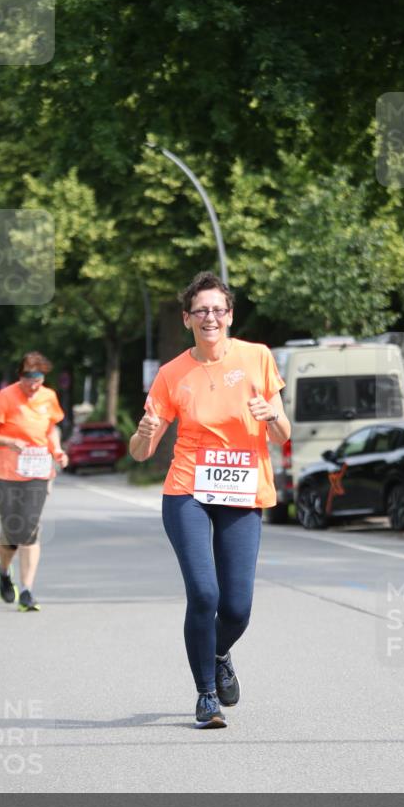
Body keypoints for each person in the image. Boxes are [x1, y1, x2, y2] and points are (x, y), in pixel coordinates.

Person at [129, 271, 291, 729]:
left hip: (242, 491)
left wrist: (271, 415)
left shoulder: (257, 358)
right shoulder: (171, 374)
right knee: (204, 593)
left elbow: (284, 435)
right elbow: (141, 451)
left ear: (230, 315)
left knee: (237, 607)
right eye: (201, 310)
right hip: (188, 492)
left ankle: (219, 652)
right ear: (187, 319)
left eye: (218, 309)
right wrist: (141, 437)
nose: (210, 317)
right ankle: (205, 696)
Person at [0, 352, 68, 612]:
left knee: (29, 528)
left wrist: (58, 450)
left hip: (38, 469)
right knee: (12, 532)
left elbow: (51, 428)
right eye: (29, 380)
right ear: (21, 376)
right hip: (4, 471)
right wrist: (9, 441)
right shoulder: (6, 397)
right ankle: (4, 572)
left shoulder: (48, 397)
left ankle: (27, 591)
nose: (33, 386)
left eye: (38, 380)